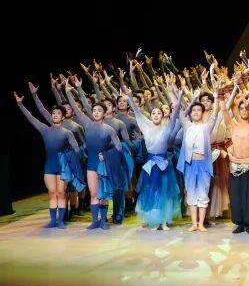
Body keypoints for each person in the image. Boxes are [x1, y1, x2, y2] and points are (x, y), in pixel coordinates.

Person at [14, 92, 80, 228]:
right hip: (49, 167)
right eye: (53, 113)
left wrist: (69, 161)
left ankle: (60, 221)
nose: (55, 115)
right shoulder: (45, 129)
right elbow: (30, 117)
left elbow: (76, 150)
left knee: (61, 193)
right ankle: (52, 221)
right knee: (53, 193)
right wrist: (20, 104)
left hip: (62, 167)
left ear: (63, 117)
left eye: (58, 113)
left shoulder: (67, 133)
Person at [64, 78, 122, 230]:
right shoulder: (87, 124)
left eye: (99, 111)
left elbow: (119, 147)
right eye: (94, 110)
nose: (96, 112)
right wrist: (70, 91)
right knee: (94, 193)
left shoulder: (109, 129)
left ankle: (103, 221)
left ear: (104, 113)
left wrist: (107, 154)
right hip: (91, 165)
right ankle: (95, 221)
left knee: (103, 194)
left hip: (104, 164)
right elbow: (77, 108)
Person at [122, 83, 182, 229]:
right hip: (150, 163)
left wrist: (178, 96)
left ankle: (163, 221)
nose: (155, 115)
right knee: (150, 190)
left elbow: (175, 114)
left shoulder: (167, 128)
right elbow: (137, 112)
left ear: (162, 116)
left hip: (163, 163)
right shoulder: (146, 126)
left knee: (163, 192)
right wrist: (129, 96)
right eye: (153, 113)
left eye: (158, 113)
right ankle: (152, 219)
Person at [221, 85, 249, 234]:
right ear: (238, 111)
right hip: (235, 165)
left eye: (247, 108)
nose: (244, 110)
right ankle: (239, 223)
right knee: (236, 195)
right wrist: (221, 96)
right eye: (241, 108)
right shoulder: (233, 125)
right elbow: (224, 110)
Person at [174, 89, 220, 232]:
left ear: (202, 113)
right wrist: (184, 96)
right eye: (193, 110)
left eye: (199, 110)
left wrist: (216, 98)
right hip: (189, 164)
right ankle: (194, 223)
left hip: (203, 165)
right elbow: (178, 111)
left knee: (203, 192)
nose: (195, 112)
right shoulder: (187, 125)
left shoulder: (206, 127)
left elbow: (215, 114)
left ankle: (201, 223)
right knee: (191, 192)